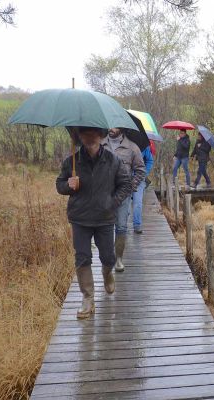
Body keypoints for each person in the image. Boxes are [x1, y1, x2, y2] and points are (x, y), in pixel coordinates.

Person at [56, 126, 132, 319]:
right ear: (79, 136)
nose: (89, 137)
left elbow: (126, 184)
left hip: (104, 218)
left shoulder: (112, 160)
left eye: (93, 133)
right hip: (80, 218)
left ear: (101, 136)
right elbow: (59, 184)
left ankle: (107, 274)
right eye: (85, 133)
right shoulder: (72, 161)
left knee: (108, 256)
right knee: (82, 257)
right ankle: (88, 298)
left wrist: (112, 202)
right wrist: (68, 185)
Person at [102, 128, 146, 272]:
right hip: (103, 194)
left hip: (123, 195)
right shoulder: (100, 145)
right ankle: (107, 259)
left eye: (115, 125)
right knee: (104, 227)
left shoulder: (132, 147)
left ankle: (119, 259)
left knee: (121, 226)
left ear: (121, 127)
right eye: (110, 125)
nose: (111, 128)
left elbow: (141, 170)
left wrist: (130, 186)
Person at [132, 145, 154, 234]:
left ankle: (137, 225)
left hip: (139, 178)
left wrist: (144, 173)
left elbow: (150, 160)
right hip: (124, 178)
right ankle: (121, 227)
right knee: (124, 204)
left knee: (138, 203)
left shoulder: (144, 145)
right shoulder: (122, 142)